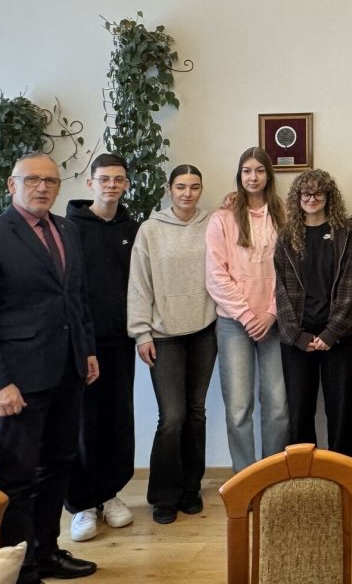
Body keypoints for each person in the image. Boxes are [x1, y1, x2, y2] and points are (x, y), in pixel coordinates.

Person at [0, 151, 100, 583]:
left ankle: (47, 551)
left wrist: (87, 350)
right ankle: (18, 567)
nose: (42, 187)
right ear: (11, 185)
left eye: (50, 181)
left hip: (66, 372)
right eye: (32, 180)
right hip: (17, 382)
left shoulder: (66, 230)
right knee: (18, 476)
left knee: (58, 466)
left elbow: (76, 297)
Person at [128, 164, 219, 525]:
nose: (187, 193)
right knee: (172, 417)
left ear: (201, 190)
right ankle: (163, 495)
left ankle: (190, 488)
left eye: (194, 187)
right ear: (169, 189)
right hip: (163, 336)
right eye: (181, 186)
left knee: (195, 413)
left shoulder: (213, 223)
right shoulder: (150, 230)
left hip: (204, 331)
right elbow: (139, 282)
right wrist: (141, 332)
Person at [64, 153, 139, 542]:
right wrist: (81, 342)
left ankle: (109, 494)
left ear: (126, 184)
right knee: (83, 422)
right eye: (105, 179)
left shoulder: (132, 228)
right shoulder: (69, 229)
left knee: (117, 419)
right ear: (90, 182)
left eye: (118, 179)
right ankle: (82, 504)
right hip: (81, 344)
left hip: (120, 341)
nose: (112, 185)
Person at [206, 147, 289, 472]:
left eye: (259, 170)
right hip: (234, 324)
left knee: (278, 406)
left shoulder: (284, 215)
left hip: (274, 322)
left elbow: (291, 273)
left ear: (269, 175)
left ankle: (272, 475)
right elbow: (216, 275)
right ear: (239, 175)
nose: (253, 177)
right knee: (239, 408)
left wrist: (271, 313)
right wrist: (246, 315)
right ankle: (245, 478)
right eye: (247, 171)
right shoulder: (222, 218)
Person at [274, 169, 352, 454]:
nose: (312, 199)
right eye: (306, 193)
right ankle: (304, 475)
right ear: (297, 197)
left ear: (328, 196)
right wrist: (296, 336)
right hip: (298, 339)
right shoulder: (287, 237)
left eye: (318, 193)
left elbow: (350, 286)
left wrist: (331, 332)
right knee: (299, 413)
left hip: (338, 337)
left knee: (339, 413)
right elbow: (280, 291)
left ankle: (340, 474)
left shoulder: (345, 234)